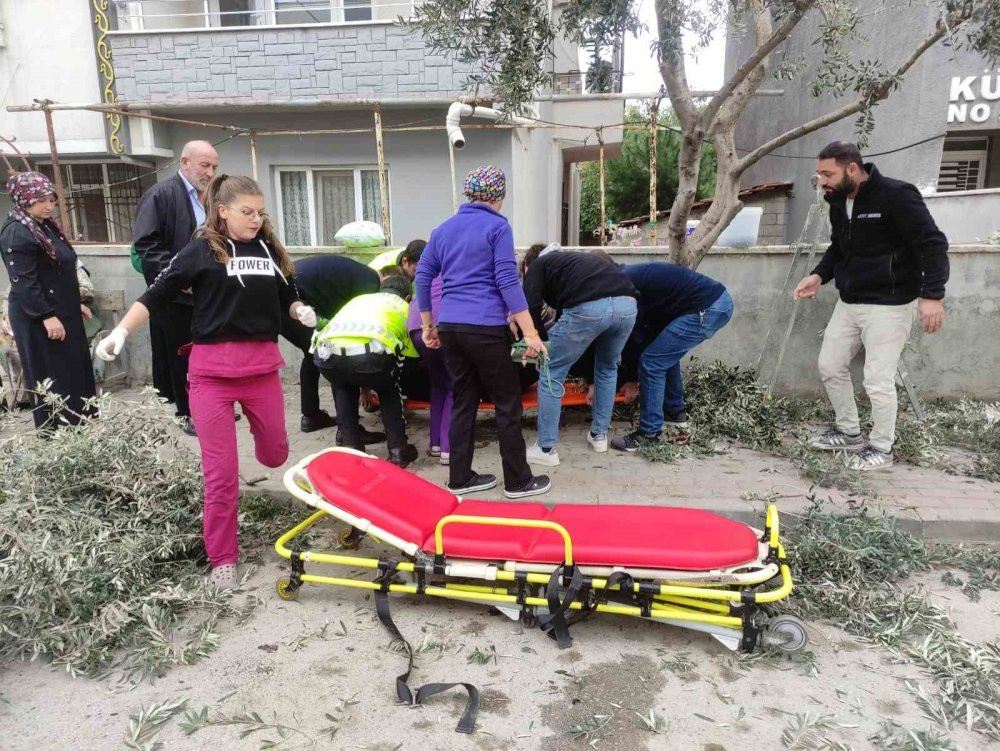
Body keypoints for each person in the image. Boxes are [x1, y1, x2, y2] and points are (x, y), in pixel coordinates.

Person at [97, 174, 317, 589]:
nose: (255, 220)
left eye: (260, 213)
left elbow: (288, 294)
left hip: (261, 372)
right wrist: (120, 331)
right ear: (222, 211)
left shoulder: (268, 251)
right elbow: (156, 294)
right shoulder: (201, 251)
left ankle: (260, 438)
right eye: (246, 212)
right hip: (211, 377)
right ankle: (222, 558)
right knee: (221, 474)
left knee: (274, 454)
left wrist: (298, 310)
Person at [793, 141, 948, 471]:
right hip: (850, 301)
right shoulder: (837, 201)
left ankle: (881, 447)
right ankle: (849, 432)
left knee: (877, 379)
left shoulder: (896, 195)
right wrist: (819, 276)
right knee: (830, 365)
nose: (822, 181)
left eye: (827, 173)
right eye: (820, 173)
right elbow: (839, 247)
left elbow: (932, 244)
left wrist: (932, 295)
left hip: (890, 304)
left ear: (852, 169)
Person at [415, 165, 550, 499]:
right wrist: (531, 333)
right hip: (485, 328)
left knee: (463, 399)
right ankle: (518, 481)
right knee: (506, 401)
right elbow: (507, 280)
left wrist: (429, 325)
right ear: (498, 197)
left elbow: (422, 277)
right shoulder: (497, 227)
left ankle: (460, 479)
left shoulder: (442, 230)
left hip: (450, 327)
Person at [520, 243, 637, 464]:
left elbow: (531, 307)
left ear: (527, 264)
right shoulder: (575, 262)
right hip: (627, 305)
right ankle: (599, 436)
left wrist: (541, 346)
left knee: (551, 370)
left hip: (591, 306)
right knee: (607, 367)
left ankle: (546, 449)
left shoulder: (537, 266)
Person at [133, 140, 219, 435]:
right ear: (185, 162)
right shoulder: (161, 194)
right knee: (181, 355)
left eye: (214, 166)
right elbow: (146, 244)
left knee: (205, 354)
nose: (209, 172)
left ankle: (208, 408)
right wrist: (177, 276)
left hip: (202, 294)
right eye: (204, 165)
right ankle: (187, 412)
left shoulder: (206, 196)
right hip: (174, 295)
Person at [1, 172, 97, 429]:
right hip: (39, 318)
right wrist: (46, 315)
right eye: (40, 200)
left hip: (60, 310)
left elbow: (56, 272)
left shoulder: (42, 224)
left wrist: (72, 302)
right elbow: (25, 282)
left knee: (75, 372)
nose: (48, 205)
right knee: (53, 376)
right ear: (23, 199)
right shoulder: (17, 232)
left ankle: (82, 429)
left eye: (51, 199)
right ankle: (58, 436)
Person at [609, 261, 733, 453]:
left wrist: (632, 379)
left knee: (652, 363)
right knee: (663, 355)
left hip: (707, 308)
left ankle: (648, 434)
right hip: (713, 302)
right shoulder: (631, 274)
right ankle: (674, 413)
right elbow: (645, 332)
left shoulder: (625, 281)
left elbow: (635, 332)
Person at [313, 275, 419, 467]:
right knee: (389, 390)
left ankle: (351, 447)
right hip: (369, 358)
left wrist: (364, 387)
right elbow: (406, 355)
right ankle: (398, 451)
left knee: (343, 386)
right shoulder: (404, 307)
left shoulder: (360, 299)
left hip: (325, 356)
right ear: (408, 297)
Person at [281, 254, 384, 447]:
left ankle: (311, 416)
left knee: (312, 353)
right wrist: (365, 386)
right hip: (295, 304)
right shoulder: (370, 284)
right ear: (384, 280)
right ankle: (348, 432)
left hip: (283, 307)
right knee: (339, 357)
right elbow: (358, 330)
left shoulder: (355, 273)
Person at [407, 256, 451, 464]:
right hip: (443, 326)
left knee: (437, 385)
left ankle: (435, 443)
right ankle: (448, 448)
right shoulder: (459, 269)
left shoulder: (429, 271)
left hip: (417, 328)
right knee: (454, 385)